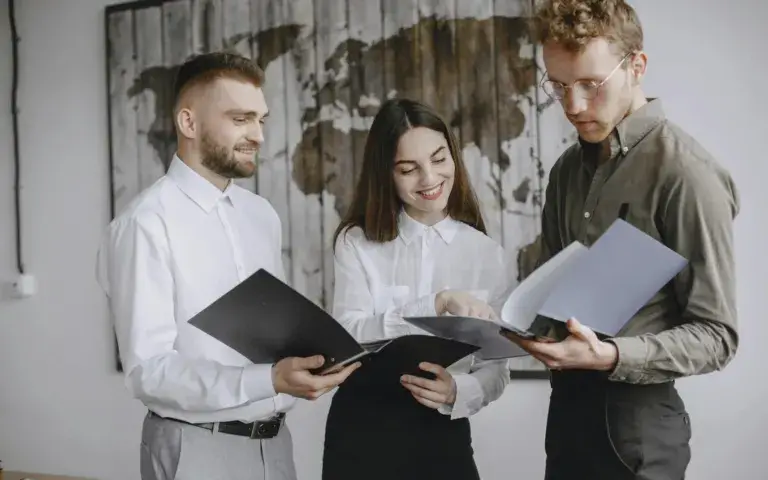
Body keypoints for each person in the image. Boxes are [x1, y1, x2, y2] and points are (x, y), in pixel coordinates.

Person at [502, 1, 740, 479]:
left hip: (640, 434)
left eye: (591, 85)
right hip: (567, 422)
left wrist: (609, 355)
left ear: (637, 66)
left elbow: (718, 337)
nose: (573, 106)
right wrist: (507, 324)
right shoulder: (567, 170)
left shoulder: (687, 176)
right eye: (560, 87)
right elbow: (552, 296)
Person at [96, 52, 359, 480]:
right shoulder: (144, 224)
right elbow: (149, 371)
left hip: (276, 446)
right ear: (189, 123)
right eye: (240, 119)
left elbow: (269, 333)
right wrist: (270, 379)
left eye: (261, 119)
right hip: (195, 448)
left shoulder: (261, 215)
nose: (257, 134)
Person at [322, 98, 512, 480]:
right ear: (386, 175)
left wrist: (459, 391)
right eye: (409, 169)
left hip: (442, 433)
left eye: (439, 159)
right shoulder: (357, 242)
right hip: (362, 433)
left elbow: (496, 367)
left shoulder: (487, 254)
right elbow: (346, 333)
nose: (429, 179)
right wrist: (436, 303)